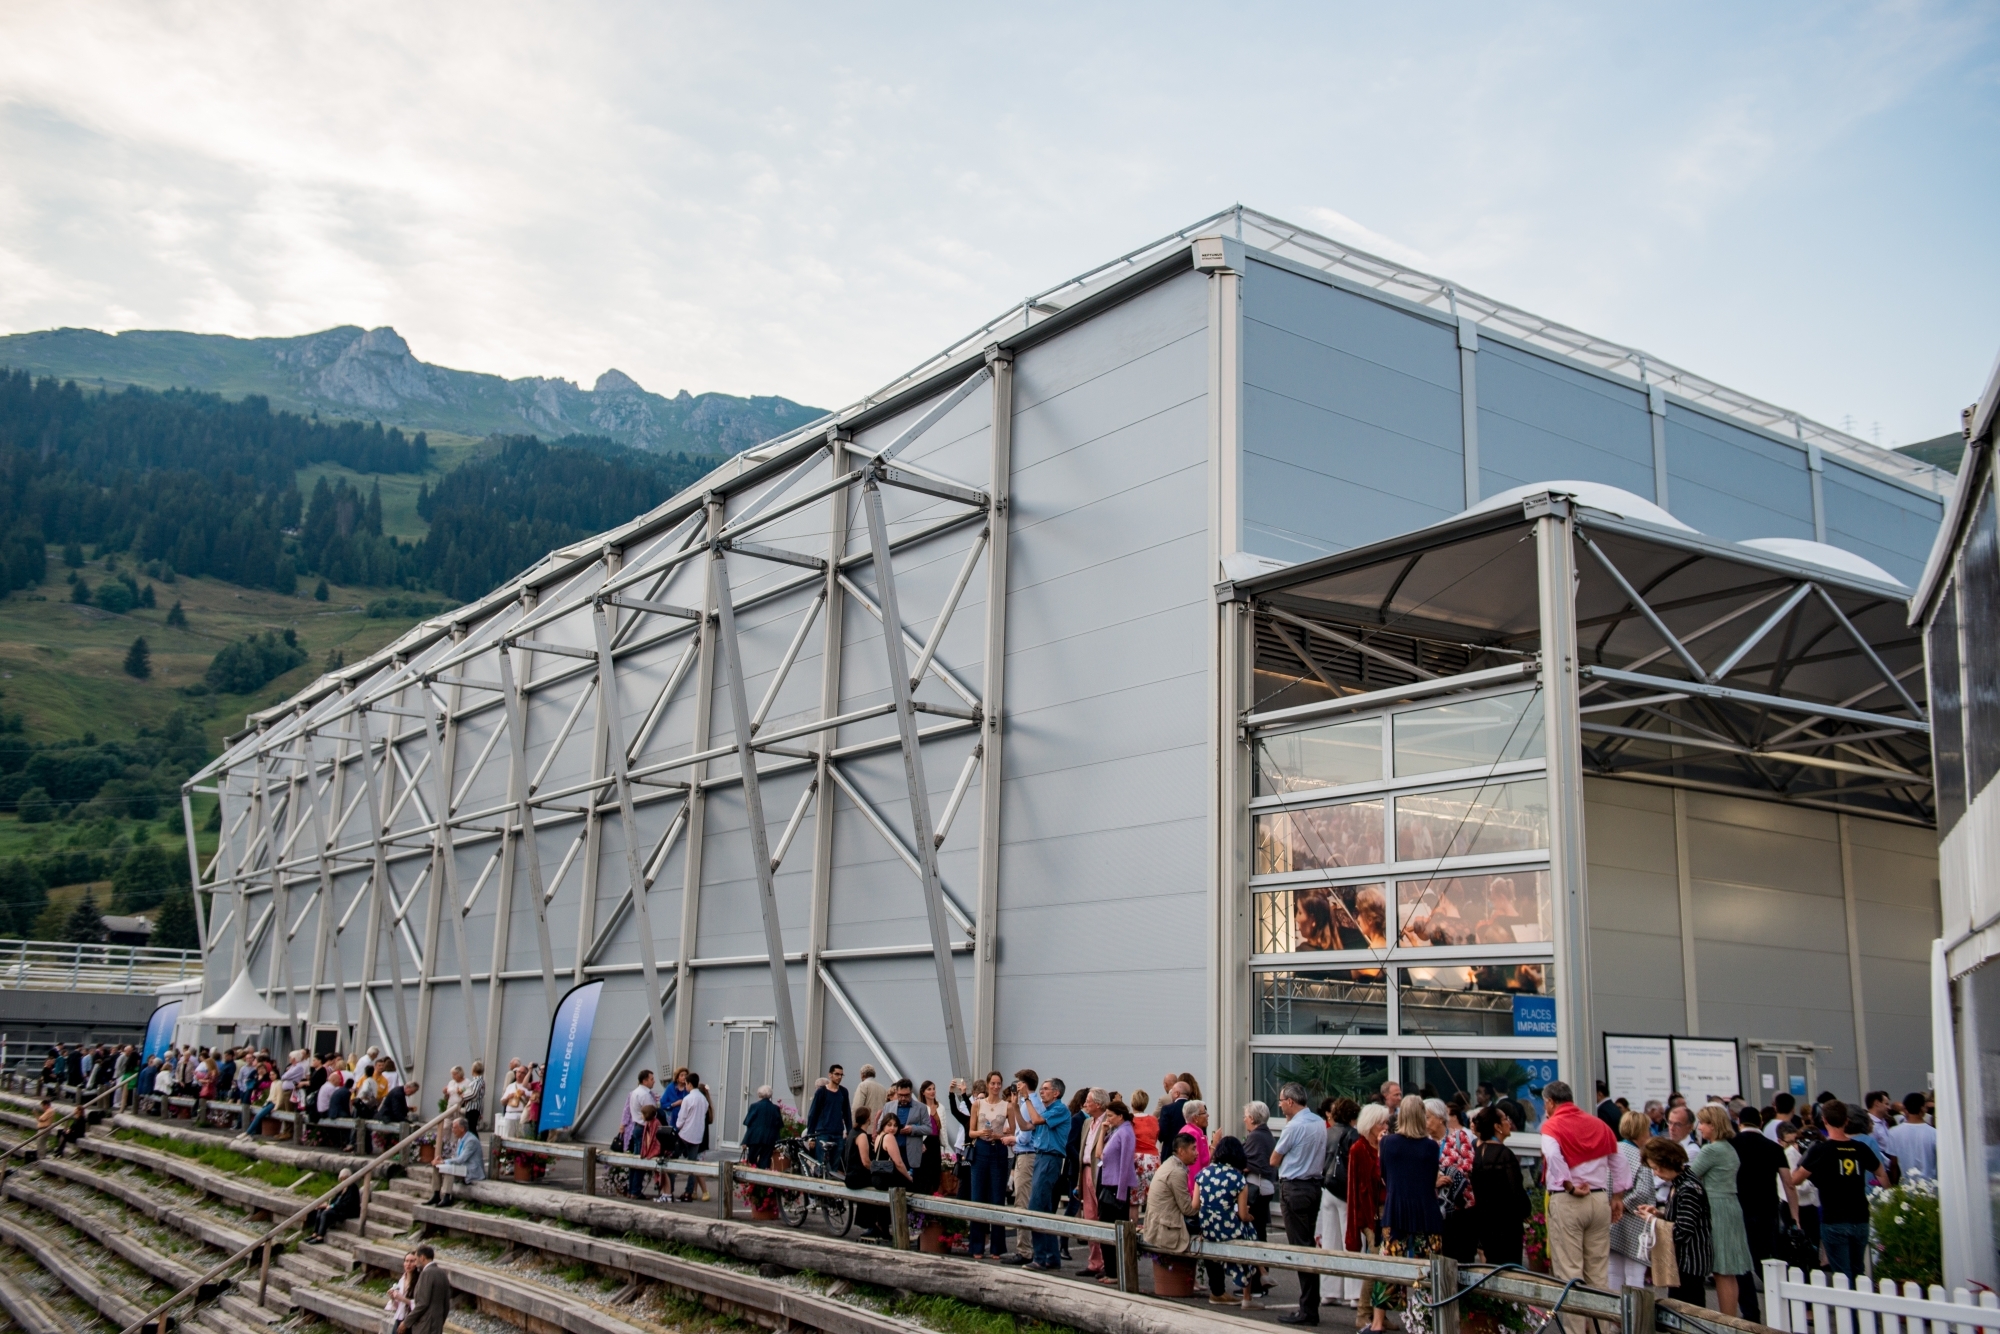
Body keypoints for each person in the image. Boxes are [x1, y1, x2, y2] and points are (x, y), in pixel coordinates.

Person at [1540, 1080, 1630, 1323]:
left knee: (1569, 1273)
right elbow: (1619, 1161)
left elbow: (1552, 1155)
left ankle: (1575, 1330)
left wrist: (1568, 1184)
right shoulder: (1599, 1124)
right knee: (1598, 1273)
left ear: (1550, 1102)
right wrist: (1618, 1196)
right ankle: (1599, 1327)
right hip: (1599, 1198)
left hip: (1568, 1199)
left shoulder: (1552, 1126)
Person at [1363, 1096, 1443, 1334]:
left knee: (1388, 1266)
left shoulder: (1388, 1143)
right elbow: (1431, 1181)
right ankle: (1425, 1322)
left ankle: (1377, 1323)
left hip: (1396, 1210)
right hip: (1426, 1212)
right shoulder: (1431, 1146)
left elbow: (1385, 1177)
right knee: (1428, 1268)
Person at [1788, 1101, 1879, 1281]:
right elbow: (1883, 1176)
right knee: (1858, 1270)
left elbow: (1794, 1180)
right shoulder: (1861, 1148)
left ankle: (1849, 1308)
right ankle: (1860, 1307)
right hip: (1860, 1217)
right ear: (1846, 1121)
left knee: (1842, 1274)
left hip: (1834, 1218)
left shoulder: (1821, 1150)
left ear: (1824, 1120)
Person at [1270, 1082, 1328, 1327]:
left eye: (1282, 1100)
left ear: (1291, 1101)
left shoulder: (1293, 1126)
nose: (1280, 1104)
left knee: (1300, 1248)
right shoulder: (1318, 1122)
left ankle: (1307, 1309)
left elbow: (1274, 1159)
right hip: (1314, 1186)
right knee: (1307, 1245)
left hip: (1294, 1187)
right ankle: (1309, 1304)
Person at [1688, 1106, 1748, 1315]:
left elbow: (1690, 1176)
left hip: (1716, 1207)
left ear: (1713, 1125)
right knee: (1728, 1270)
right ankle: (1730, 1317)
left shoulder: (1711, 1150)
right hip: (1730, 1205)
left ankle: (1725, 1321)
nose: (1700, 1127)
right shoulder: (1729, 1148)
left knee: (1721, 1268)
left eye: (1703, 1123)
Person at [1641, 1139, 1711, 1308]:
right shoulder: (1680, 1183)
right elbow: (1683, 1219)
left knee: (1688, 1312)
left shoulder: (1688, 1188)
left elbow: (1682, 1231)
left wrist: (1653, 1220)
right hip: (1684, 1261)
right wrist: (1659, 1214)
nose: (1656, 1173)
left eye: (1658, 1168)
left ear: (1669, 1162)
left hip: (1689, 1263)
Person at [1015, 1075, 1071, 1271]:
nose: (1042, 1091)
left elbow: (1036, 1119)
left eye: (1046, 1089)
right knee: (1045, 1210)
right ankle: (1052, 1257)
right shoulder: (1048, 1111)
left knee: (1036, 1207)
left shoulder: (1059, 1109)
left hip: (1050, 1158)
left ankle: (1039, 1257)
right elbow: (1025, 1126)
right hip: (1041, 1157)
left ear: (1056, 1092)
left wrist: (1028, 1099)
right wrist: (1015, 1105)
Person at [1196, 1136, 1260, 1307]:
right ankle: (1248, 1296)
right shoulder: (1238, 1178)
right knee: (1250, 1234)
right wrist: (1249, 1217)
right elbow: (1242, 1214)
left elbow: (1195, 1204)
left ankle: (1218, 1291)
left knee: (1216, 1244)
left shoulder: (1203, 1173)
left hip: (1207, 1227)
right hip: (1227, 1228)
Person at [1343, 1103, 1391, 1320]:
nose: (1385, 1125)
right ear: (1371, 1124)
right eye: (1381, 1121)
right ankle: (1364, 1313)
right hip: (1370, 1214)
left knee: (1388, 1262)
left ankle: (1381, 1314)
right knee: (1377, 1261)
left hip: (1387, 1210)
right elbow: (1357, 1187)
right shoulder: (1359, 1149)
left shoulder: (1386, 1145)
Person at [963, 1071, 1014, 1259]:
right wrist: (981, 1133)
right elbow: (971, 1132)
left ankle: (997, 1247)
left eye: (998, 1083)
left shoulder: (1007, 1106)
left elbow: (1013, 1131)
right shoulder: (977, 1104)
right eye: (992, 1083)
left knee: (997, 1197)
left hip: (998, 1150)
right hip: (981, 1150)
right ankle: (976, 1246)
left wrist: (998, 1135)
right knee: (977, 1196)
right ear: (987, 1084)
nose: (995, 1086)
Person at [1471, 1106, 1530, 1267]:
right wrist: (1526, 1211)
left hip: (1485, 1224)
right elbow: (1516, 1190)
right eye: (1505, 1119)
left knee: (1492, 1268)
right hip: (1506, 1226)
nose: (1508, 1122)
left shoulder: (1477, 1152)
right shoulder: (1505, 1154)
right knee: (1510, 1270)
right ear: (1497, 1126)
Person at [1607, 1110, 1658, 1293]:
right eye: (1648, 1129)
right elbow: (1643, 1191)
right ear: (1641, 1131)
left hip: (1611, 1221)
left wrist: (1611, 1207)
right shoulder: (1640, 1157)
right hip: (1635, 1223)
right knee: (1634, 1276)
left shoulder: (1611, 1150)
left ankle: (1613, 1319)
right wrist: (1623, 1206)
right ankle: (1634, 1319)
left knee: (1613, 1274)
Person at [1095, 1100, 1137, 1287]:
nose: (1108, 1119)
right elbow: (1100, 1154)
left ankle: (1115, 1271)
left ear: (1120, 1116)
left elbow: (1126, 1163)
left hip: (1116, 1187)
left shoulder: (1126, 1132)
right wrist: (1103, 1129)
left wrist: (1121, 1193)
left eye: (1111, 1116)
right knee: (1105, 1227)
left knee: (1113, 1228)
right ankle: (1110, 1269)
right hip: (1107, 1183)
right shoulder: (1116, 1131)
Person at [1142, 1131, 1200, 1260]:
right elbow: (1188, 1209)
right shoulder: (1177, 1172)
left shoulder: (1169, 1163)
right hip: (1167, 1230)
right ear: (1181, 1151)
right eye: (1193, 1148)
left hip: (1157, 1225)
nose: (1197, 1153)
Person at [672, 1071, 710, 1202]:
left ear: (689, 1084)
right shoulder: (704, 1100)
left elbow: (681, 1118)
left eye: (686, 1083)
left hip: (685, 1133)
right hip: (697, 1135)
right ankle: (689, 1192)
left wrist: (678, 1127)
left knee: (673, 1159)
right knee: (693, 1165)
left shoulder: (688, 1099)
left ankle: (669, 1189)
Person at [431, 1115, 485, 1207]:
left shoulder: (471, 1140)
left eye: (454, 1127)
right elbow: (456, 1157)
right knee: (436, 1167)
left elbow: (461, 1159)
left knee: (449, 1169)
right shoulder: (461, 1139)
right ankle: (436, 1194)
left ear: (462, 1129)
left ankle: (447, 1197)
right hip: (462, 1167)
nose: (452, 1130)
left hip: (472, 1169)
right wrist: (443, 1160)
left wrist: (444, 1162)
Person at [398, 1244, 450, 1334]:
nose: (415, 1262)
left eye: (416, 1259)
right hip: (437, 1325)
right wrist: (440, 1322)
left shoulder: (426, 1273)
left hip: (424, 1327)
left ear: (422, 1258)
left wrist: (406, 1322)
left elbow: (422, 1303)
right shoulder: (442, 1273)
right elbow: (446, 1304)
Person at [805, 1065, 852, 1164]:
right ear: (830, 1075)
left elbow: (847, 1113)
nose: (839, 1077)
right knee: (822, 1164)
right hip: (823, 1133)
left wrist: (849, 1131)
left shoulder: (843, 1092)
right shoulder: (822, 1092)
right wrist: (811, 1136)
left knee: (834, 1165)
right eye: (836, 1074)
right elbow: (812, 1113)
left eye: (841, 1075)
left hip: (838, 1133)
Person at [1884, 1093, 1936, 1180]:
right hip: (1931, 1184)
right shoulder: (1934, 1133)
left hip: (1905, 1184)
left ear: (1905, 1109)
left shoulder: (1894, 1132)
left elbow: (1893, 1163)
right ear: (1923, 1108)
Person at [305, 1171, 363, 1245]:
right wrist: (328, 1205)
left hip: (346, 1211)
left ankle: (320, 1236)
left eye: (345, 1178)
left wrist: (332, 1206)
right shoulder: (342, 1187)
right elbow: (335, 1200)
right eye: (341, 1179)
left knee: (326, 1213)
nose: (343, 1181)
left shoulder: (352, 1188)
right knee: (320, 1210)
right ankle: (315, 1234)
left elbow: (346, 1204)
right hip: (338, 1208)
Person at [740, 1084, 782, 1168]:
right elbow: (779, 1125)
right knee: (765, 1161)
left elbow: (749, 1123)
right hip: (769, 1139)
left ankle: (752, 1179)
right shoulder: (775, 1108)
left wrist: (745, 1141)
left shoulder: (754, 1106)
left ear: (759, 1094)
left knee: (752, 1160)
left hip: (755, 1138)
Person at [382, 1252, 417, 1334]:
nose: (408, 1264)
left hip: (410, 1319)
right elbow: (398, 1304)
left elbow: (419, 1304)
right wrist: (393, 1297)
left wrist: (401, 1298)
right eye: (406, 1261)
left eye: (412, 1261)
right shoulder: (402, 1279)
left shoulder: (419, 1281)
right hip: (400, 1316)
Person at [853, 1064, 889, 1130]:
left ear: (862, 1074)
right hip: (878, 1127)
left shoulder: (863, 1085)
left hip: (865, 1127)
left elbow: (857, 1107)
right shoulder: (883, 1088)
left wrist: (854, 1126)